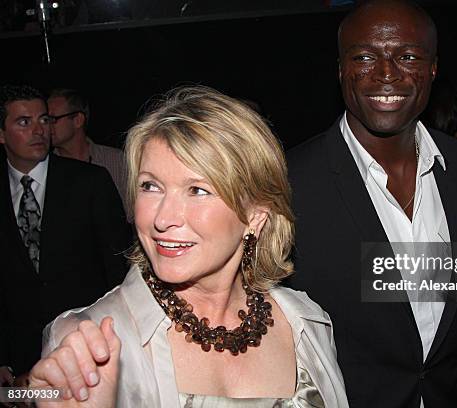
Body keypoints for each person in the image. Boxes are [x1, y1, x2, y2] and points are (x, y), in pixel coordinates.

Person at [29, 86, 349, 407]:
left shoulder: (307, 324)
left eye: (197, 190)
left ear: (255, 215)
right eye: (150, 186)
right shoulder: (85, 343)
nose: (162, 218)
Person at [287, 1, 457, 407]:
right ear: (341, 69)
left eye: (408, 56)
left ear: (433, 69)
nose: (386, 73)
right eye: (364, 56)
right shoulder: (289, 183)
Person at [0, 85, 130, 384]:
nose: (39, 130)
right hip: (20, 361)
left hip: (89, 350)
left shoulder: (89, 182)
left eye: (44, 120)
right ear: (2, 134)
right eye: (24, 122)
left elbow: (117, 269)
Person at [48, 88, 128, 212]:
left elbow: (133, 214)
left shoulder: (116, 160)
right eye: (45, 120)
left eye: (53, 119)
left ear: (78, 120)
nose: (46, 127)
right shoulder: (44, 168)